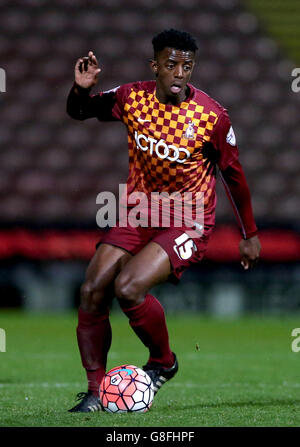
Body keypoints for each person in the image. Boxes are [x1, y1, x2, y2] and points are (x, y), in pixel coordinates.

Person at [66, 29, 261, 412]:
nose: (179, 73)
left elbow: (234, 176)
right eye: (170, 64)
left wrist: (249, 234)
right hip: (139, 212)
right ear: (154, 65)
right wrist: (81, 90)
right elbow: (80, 111)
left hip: (188, 219)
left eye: (187, 66)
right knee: (92, 289)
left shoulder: (211, 116)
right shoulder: (131, 97)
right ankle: (94, 390)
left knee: (128, 287)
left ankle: (163, 362)